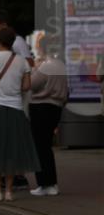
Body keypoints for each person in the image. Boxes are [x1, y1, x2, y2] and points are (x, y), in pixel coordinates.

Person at [0, 26, 40, 202]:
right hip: (15, 109)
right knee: (11, 149)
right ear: (13, 42)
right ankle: (10, 191)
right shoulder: (22, 61)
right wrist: (12, 88)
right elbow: (27, 86)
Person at [0, 10, 35, 190]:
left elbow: (29, 64)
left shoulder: (18, 41)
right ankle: (11, 176)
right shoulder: (0, 44)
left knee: (13, 134)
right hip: (5, 97)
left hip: (16, 96)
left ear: (3, 24)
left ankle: (18, 176)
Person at [29, 40, 68, 196]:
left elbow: (31, 84)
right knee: (45, 146)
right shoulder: (61, 66)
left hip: (41, 107)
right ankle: (50, 183)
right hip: (55, 107)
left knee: (40, 147)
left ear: (42, 48)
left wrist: (34, 69)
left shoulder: (46, 66)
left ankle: (45, 183)